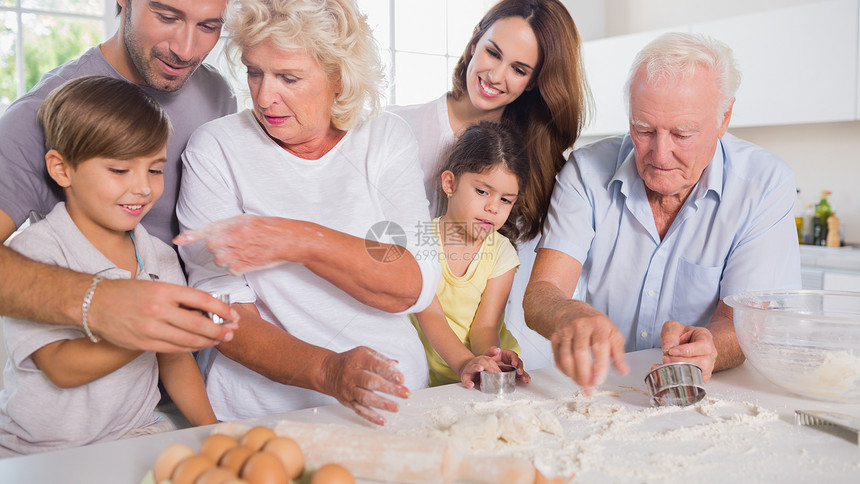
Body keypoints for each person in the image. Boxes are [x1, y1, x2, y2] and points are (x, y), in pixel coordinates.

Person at [173, 0, 440, 426]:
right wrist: (327, 371)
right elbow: (223, 311)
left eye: (288, 77)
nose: (264, 96)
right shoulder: (217, 149)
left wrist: (298, 239)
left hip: (390, 398)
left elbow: (412, 284)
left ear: (338, 77)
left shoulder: (385, 138)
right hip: (259, 411)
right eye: (254, 71)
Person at [524, 32, 802, 394]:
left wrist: (709, 346)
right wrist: (567, 314)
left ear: (723, 119)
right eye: (643, 129)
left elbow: (745, 321)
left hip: (710, 392)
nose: (659, 153)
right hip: (605, 389)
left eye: (682, 134)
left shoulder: (763, 185)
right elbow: (543, 292)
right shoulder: (586, 171)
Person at [0, 0, 238, 353]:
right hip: (83, 380)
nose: (186, 50)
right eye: (167, 17)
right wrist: (102, 301)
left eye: (208, 27)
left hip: (192, 371)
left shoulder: (216, 94)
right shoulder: (39, 114)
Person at [0, 76, 217, 457]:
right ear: (62, 169)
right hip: (40, 450)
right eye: (120, 170)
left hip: (135, 432)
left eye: (154, 169)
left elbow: (175, 360)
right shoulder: (33, 257)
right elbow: (62, 368)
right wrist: (155, 330)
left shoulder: (159, 256)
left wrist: (215, 433)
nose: (143, 188)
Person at [388, 0, 590, 241]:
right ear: (475, 41)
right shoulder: (396, 126)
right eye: (493, 53)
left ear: (534, 82)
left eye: (519, 70)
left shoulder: (538, 166)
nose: (495, 76)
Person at [409, 121, 532, 389]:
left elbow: (485, 324)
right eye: (482, 191)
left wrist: (492, 360)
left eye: (505, 200)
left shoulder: (502, 253)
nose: (492, 207)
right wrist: (465, 362)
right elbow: (431, 315)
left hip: (479, 373)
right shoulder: (420, 242)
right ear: (450, 184)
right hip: (432, 375)